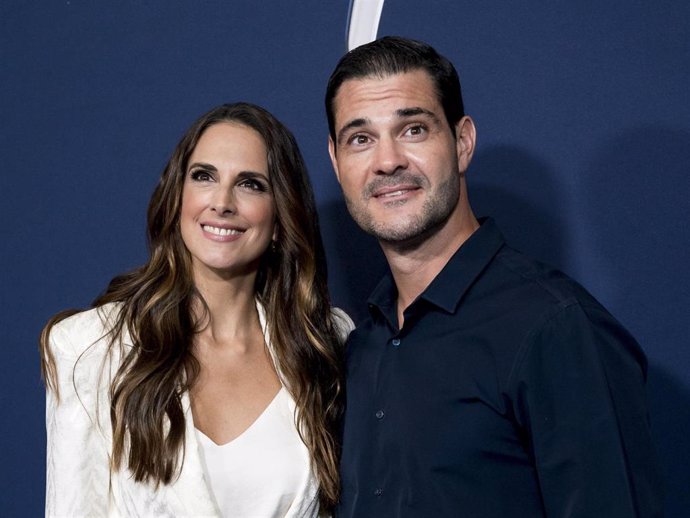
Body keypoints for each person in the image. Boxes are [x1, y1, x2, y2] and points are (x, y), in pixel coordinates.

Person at [325, 36, 663, 517]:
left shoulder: (556, 328)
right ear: (338, 163)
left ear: (462, 143)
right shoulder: (364, 343)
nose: (387, 161)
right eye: (361, 139)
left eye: (414, 130)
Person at [40, 102, 353, 517]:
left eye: (251, 184)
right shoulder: (89, 348)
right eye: (204, 176)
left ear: (279, 219)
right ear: (178, 198)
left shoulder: (325, 342)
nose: (222, 202)